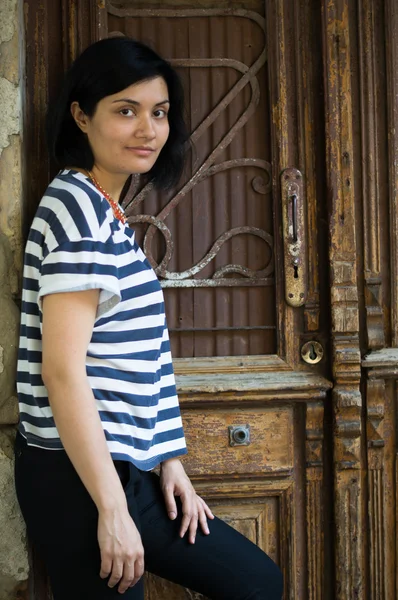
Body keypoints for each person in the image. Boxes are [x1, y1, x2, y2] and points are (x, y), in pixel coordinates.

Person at [14, 37, 283, 600]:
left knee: (257, 581)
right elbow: (62, 372)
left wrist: (168, 460)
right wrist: (111, 507)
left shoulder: (104, 209)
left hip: (128, 470)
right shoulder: (76, 211)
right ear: (81, 116)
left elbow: (139, 357)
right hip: (81, 477)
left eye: (158, 113)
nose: (148, 130)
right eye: (125, 110)